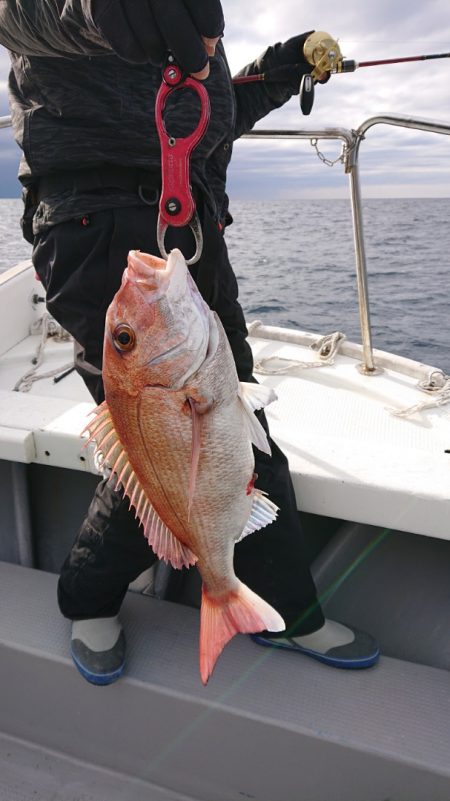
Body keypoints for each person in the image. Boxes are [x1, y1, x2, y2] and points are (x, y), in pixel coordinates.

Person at [1, 1, 379, 685]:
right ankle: (93, 597)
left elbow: (207, 106)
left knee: (233, 428)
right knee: (156, 436)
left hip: (192, 233)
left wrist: (281, 66)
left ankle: (267, 604)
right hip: (98, 228)